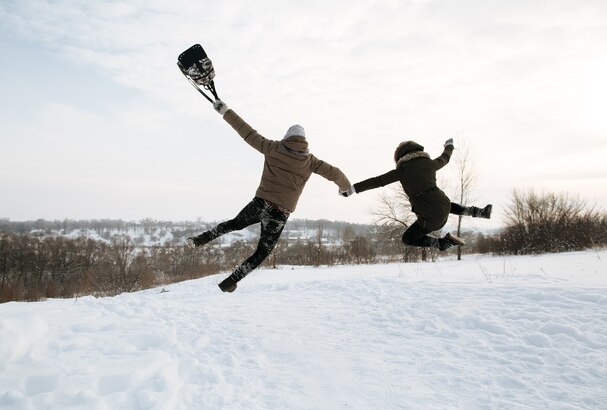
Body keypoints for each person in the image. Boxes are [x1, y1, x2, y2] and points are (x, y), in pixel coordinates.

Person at [189, 99, 353, 293]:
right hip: (280, 214)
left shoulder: (272, 148)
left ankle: (202, 239)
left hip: (260, 204)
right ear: (304, 141)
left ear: (287, 137)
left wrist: (225, 111)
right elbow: (335, 172)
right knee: (262, 252)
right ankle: (231, 281)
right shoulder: (310, 161)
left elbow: (247, 132)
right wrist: (346, 188)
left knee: (234, 224)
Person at [342, 139, 492, 251]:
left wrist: (353, 189)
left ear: (401, 157)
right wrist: (449, 146)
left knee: (407, 238)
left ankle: (440, 243)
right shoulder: (430, 164)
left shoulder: (403, 171)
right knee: (442, 204)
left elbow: (378, 181)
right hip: (443, 205)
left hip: (431, 219)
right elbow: (445, 158)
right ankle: (479, 212)